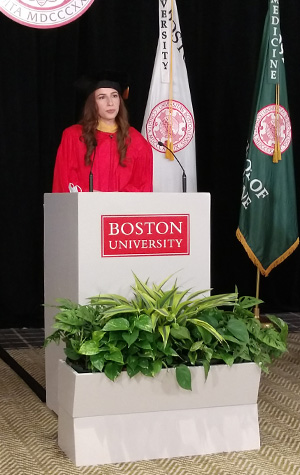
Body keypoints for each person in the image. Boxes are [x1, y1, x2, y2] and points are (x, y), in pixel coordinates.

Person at [52, 71, 153, 193]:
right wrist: (92, 196)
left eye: (114, 95)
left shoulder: (136, 141)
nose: (110, 103)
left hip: (121, 210)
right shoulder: (74, 137)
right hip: (84, 210)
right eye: (102, 97)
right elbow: (65, 181)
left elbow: (143, 186)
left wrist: (114, 200)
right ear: (92, 103)